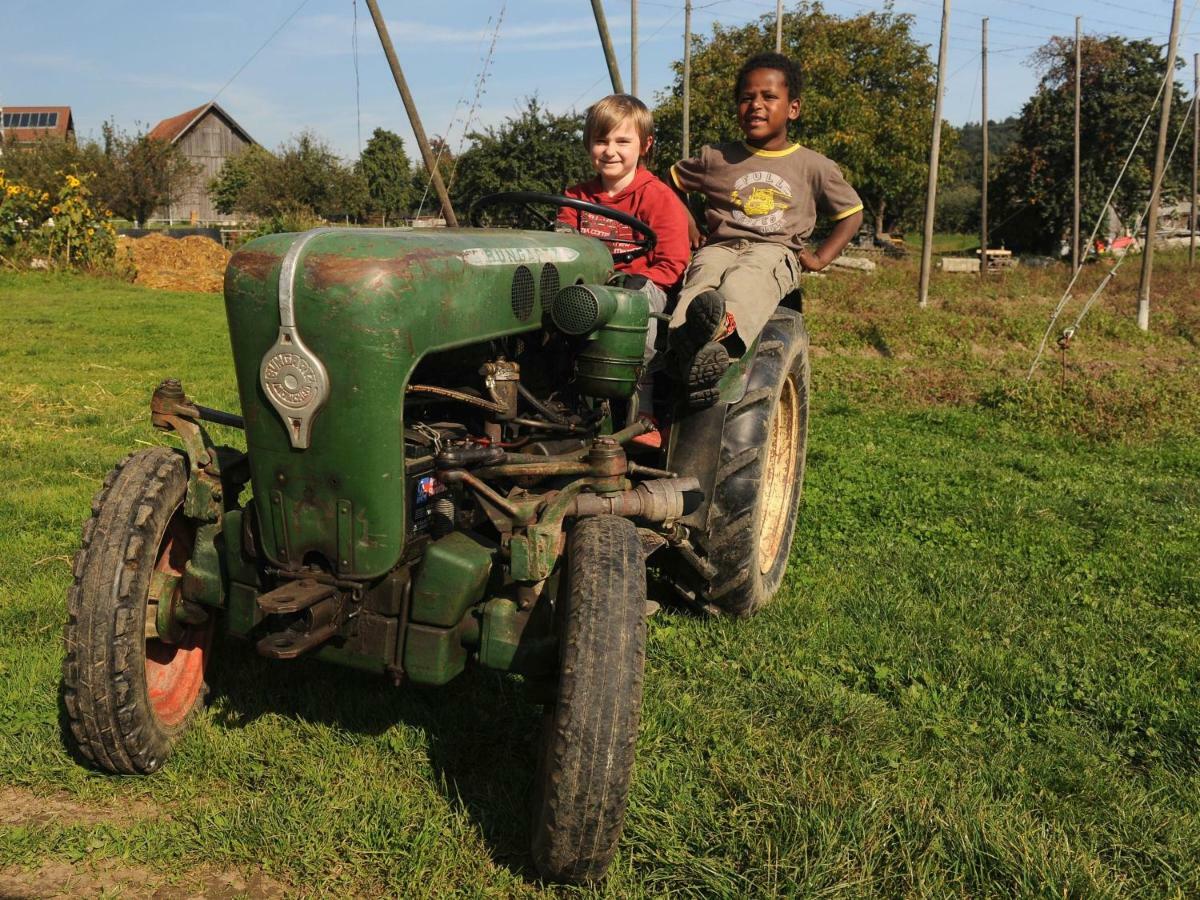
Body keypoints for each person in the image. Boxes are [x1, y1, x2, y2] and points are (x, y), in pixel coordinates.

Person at [667, 52, 864, 407]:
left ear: (793, 108)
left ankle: (718, 351)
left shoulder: (813, 165)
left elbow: (851, 214)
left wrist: (819, 258)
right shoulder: (717, 157)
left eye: (768, 97)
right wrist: (691, 225)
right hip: (720, 246)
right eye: (747, 98)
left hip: (774, 251)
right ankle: (684, 347)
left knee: (744, 282)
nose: (756, 105)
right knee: (699, 283)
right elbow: (671, 185)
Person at [557, 94, 690, 443]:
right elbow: (561, 242)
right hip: (589, 288)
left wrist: (635, 280)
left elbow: (673, 262)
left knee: (630, 308)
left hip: (643, 287)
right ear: (589, 145)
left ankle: (641, 409)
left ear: (644, 146)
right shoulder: (575, 198)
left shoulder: (657, 197)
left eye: (622, 141)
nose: (610, 150)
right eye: (601, 141)